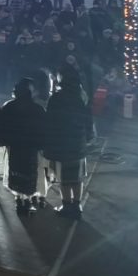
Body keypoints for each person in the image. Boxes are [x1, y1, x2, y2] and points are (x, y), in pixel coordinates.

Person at [44, 66, 92, 219]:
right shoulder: (82, 96)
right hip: (78, 143)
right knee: (77, 177)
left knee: (64, 178)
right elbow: (88, 119)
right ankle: (77, 206)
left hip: (62, 143)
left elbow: (49, 121)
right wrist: (88, 137)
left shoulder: (56, 98)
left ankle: (66, 205)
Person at [0, 78, 47, 211]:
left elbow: (0, 125)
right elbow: (43, 129)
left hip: (14, 145)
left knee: (15, 170)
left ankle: (18, 199)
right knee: (29, 172)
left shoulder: (9, 107)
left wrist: (2, 140)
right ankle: (27, 201)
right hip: (31, 147)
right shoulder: (37, 109)